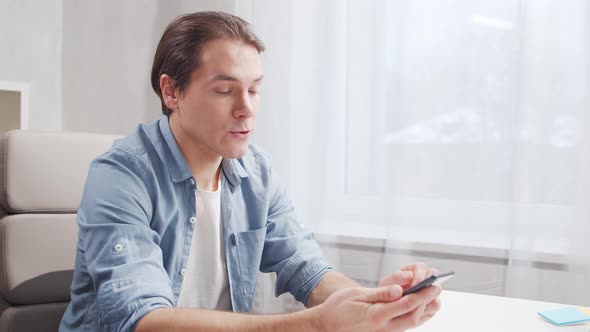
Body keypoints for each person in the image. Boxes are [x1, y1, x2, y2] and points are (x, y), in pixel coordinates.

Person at [59, 11, 441, 332]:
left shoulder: (256, 172)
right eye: (226, 91)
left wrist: (370, 303)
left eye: (254, 90)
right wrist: (315, 324)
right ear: (171, 92)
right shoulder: (121, 176)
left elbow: (305, 267)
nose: (247, 108)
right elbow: (143, 319)